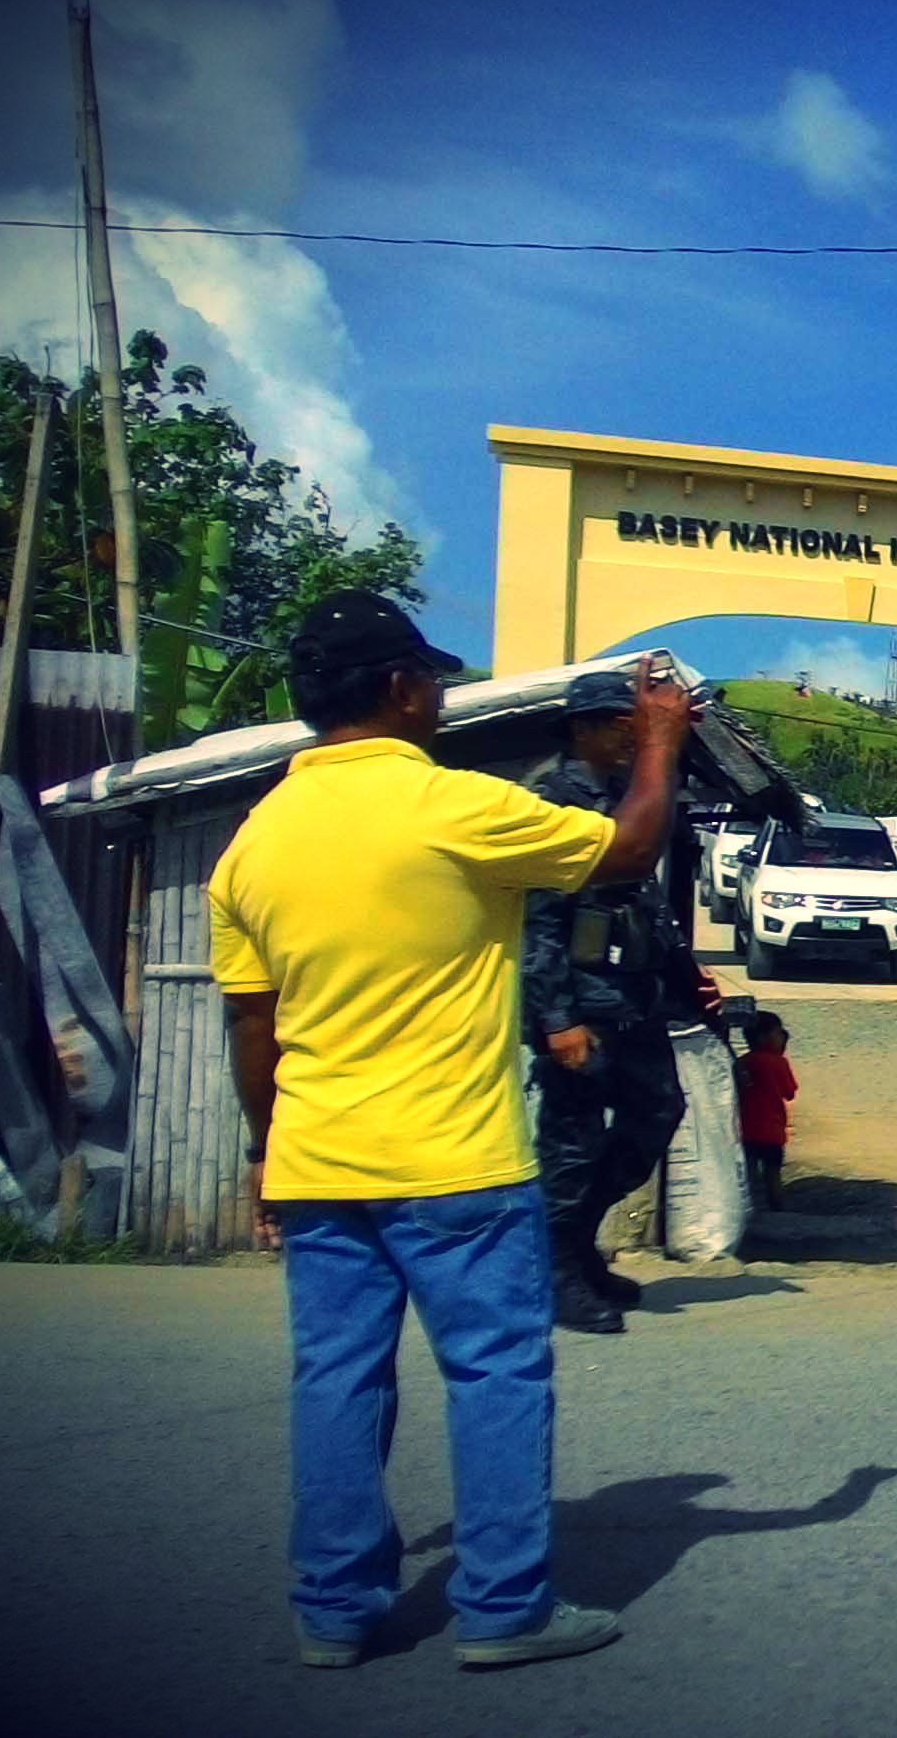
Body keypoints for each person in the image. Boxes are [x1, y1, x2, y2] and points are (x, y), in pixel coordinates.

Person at [213, 592, 689, 1671]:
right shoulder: (453, 806)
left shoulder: (256, 840)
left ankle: (334, 1611)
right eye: (427, 677)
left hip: (316, 1160)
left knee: (337, 1377)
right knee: (495, 1372)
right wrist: (659, 741)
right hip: (454, 1161)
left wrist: (262, 1151)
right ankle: (504, 1608)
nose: (437, 694)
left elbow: (255, 1026)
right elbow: (627, 849)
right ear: (397, 689)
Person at [520, 670, 716, 1334]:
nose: (632, 738)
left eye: (635, 727)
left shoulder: (630, 795)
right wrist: (557, 1020)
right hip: (579, 1008)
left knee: (657, 1113)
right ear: (582, 730)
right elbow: (538, 923)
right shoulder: (553, 798)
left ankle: (570, 1245)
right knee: (571, 1145)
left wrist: (688, 981)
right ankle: (557, 1274)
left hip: (634, 1001)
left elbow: (647, 903)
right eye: (618, 725)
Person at [736, 1012, 796, 1212]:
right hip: (772, 1131)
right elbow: (789, 1092)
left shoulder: (742, 1062)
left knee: (748, 1174)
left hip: (745, 1130)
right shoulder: (778, 1063)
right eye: (779, 1034)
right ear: (765, 1037)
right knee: (773, 1174)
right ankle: (776, 1209)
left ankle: (746, 1209)